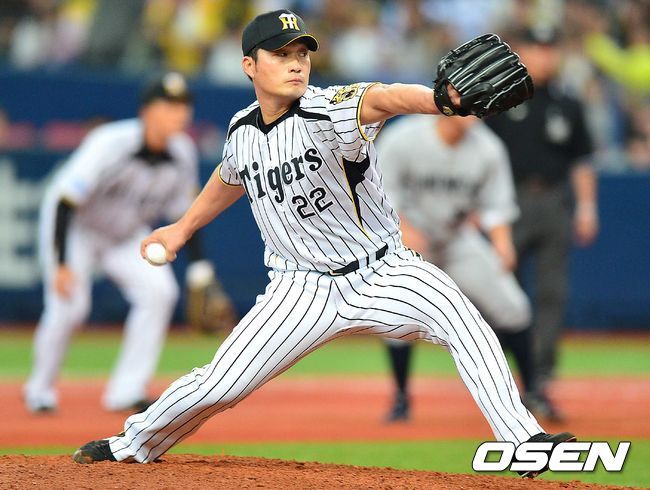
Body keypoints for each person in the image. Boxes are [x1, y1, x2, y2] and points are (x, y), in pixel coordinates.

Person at [72, 10, 574, 477]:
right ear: (249, 65)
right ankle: (133, 443)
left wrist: (439, 101)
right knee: (220, 385)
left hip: (382, 270)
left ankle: (524, 440)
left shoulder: (329, 108)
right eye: (281, 54)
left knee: (463, 321)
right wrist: (182, 228)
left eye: (302, 53)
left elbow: (383, 97)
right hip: (298, 288)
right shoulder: (242, 129)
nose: (296, 64)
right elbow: (230, 176)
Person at [24, 72, 215, 414]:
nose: (179, 113)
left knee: (160, 292)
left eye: (184, 106)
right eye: (169, 105)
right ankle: (39, 389)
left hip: (126, 234)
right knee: (71, 306)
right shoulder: (109, 142)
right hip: (78, 228)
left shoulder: (183, 152)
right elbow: (66, 201)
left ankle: (127, 390)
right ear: (146, 111)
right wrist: (62, 263)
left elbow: (186, 214)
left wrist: (199, 267)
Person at [378, 115, 534, 422]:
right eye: (468, 102)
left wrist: (502, 243)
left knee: (513, 306)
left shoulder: (488, 147)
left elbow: (496, 206)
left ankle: (534, 391)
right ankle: (401, 398)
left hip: (457, 239)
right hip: (405, 238)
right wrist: (403, 229)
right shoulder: (403, 139)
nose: (476, 112)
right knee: (396, 316)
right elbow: (377, 193)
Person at [486, 27, 598, 421]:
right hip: (508, 201)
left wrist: (587, 207)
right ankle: (501, 379)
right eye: (537, 48)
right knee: (504, 294)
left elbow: (581, 160)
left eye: (551, 49)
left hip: (553, 200)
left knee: (552, 293)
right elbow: (479, 153)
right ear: (521, 52)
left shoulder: (567, 101)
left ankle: (540, 379)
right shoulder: (501, 98)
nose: (545, 57)